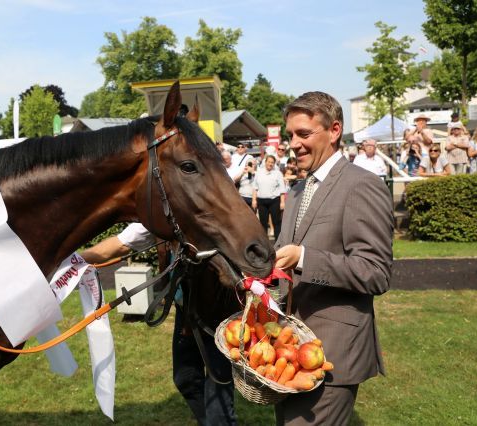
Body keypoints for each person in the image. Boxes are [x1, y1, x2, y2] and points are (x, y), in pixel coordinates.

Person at [274, 91, 393, 425]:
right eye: (290, 135)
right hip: (287, 351)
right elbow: (285, 259)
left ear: (335, 130)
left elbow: (376, 273)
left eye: (303, 134)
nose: (293, 143)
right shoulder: (296, 190)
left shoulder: (362, 185)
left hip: (333, 353)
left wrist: (304, 259)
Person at [80, 223, 238, 425]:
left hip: (221, 316)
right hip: (186, 312)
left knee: (219, 399)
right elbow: (119, 245)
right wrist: (71, 261)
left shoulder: (209, 209)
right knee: (186, 378)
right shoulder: (160, 216)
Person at [252, 155, 286, 240]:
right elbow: (255, 188)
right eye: (269, 161)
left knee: (276, 222)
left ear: (274, 164)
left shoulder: (278, 174)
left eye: (272, 162)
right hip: (261, 201)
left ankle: (278, 242)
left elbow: (282, 189)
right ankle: (264, 242)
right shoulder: (259, 173)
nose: (270, 164)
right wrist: (254, 200)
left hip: (274, 200)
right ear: (265, 162)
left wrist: (282, 202)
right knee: (263, 223)